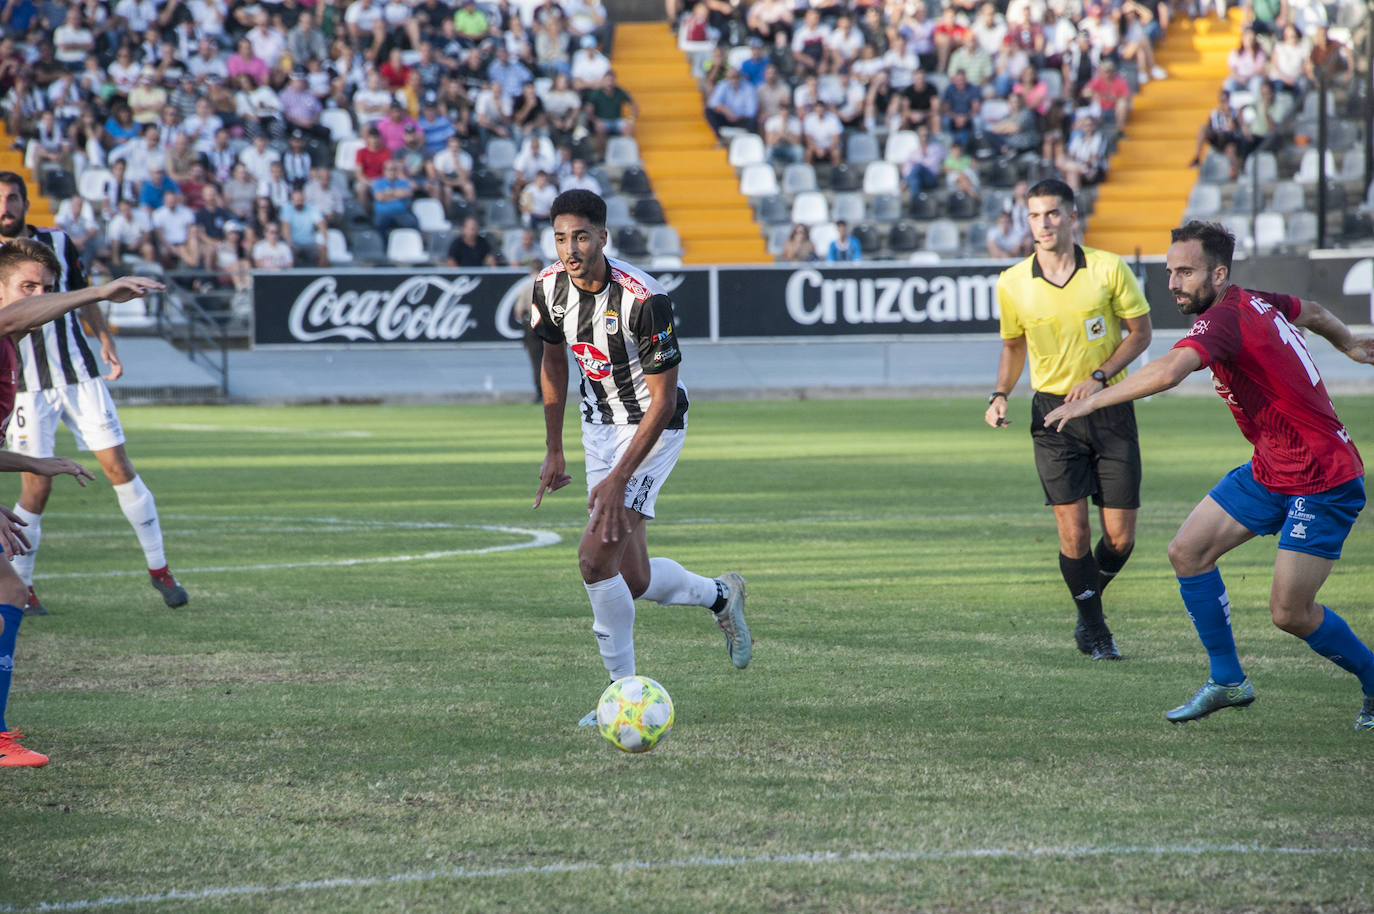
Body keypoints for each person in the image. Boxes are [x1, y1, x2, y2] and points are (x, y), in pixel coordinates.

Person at [1043, 221, 1374, 729]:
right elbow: (1313, 311)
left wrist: (1093, 398)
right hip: (1271, 469)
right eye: (1170, 271)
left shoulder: (1221, 320)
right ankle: (1228, 680)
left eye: (1186, 271)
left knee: (1290, 613)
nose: (1173, 282)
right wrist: (1349, 344)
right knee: (1188, 551)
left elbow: (1171, 371)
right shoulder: (1253, 300)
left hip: (1322, 477)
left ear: (1218, 274)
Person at [529, 190, 752, 725]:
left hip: (653, 426)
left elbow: (664, 398)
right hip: (598, 427)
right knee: (629, 578)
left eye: (581, 236)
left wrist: (617, 480)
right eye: (561, 237)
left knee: (592, 558)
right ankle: (721, 596)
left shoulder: (645, 299)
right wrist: (555, 447)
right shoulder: (546, 288)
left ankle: (619, 697)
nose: (571, 249)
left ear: (603, 236)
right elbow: (554, 364)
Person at [0, 238, 164, 767]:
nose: (39, 300)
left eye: (46, 289)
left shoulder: (10, 349)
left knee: (7, 587)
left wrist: (34, 464)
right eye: (28, 288)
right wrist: (98, 291)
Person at [0, 173, 190, 615]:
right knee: (36, 487)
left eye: (12, 198)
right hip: (27, 385)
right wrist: (103, 290)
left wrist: (103, 336)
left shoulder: (58, 243)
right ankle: (21, 588)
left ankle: (159, 568)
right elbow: (12, 318)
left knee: (117, 465)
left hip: (78, 372)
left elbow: (79, 296)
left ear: (27, 202)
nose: (5, 206)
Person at [984, 178, 1153, 661]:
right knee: (1074, 533)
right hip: (1053, 414)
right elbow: (1013, 345)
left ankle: (1087, 608)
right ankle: (1097, 632)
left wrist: (1099, 378)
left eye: (1052, 214)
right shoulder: (1012, 281)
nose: (1043, 224)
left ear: (1071, 216)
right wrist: (1000, 394)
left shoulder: (1107, 268)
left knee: (1120, 539)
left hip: (1109, 407)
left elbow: (1140, 334)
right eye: (1034, 215)